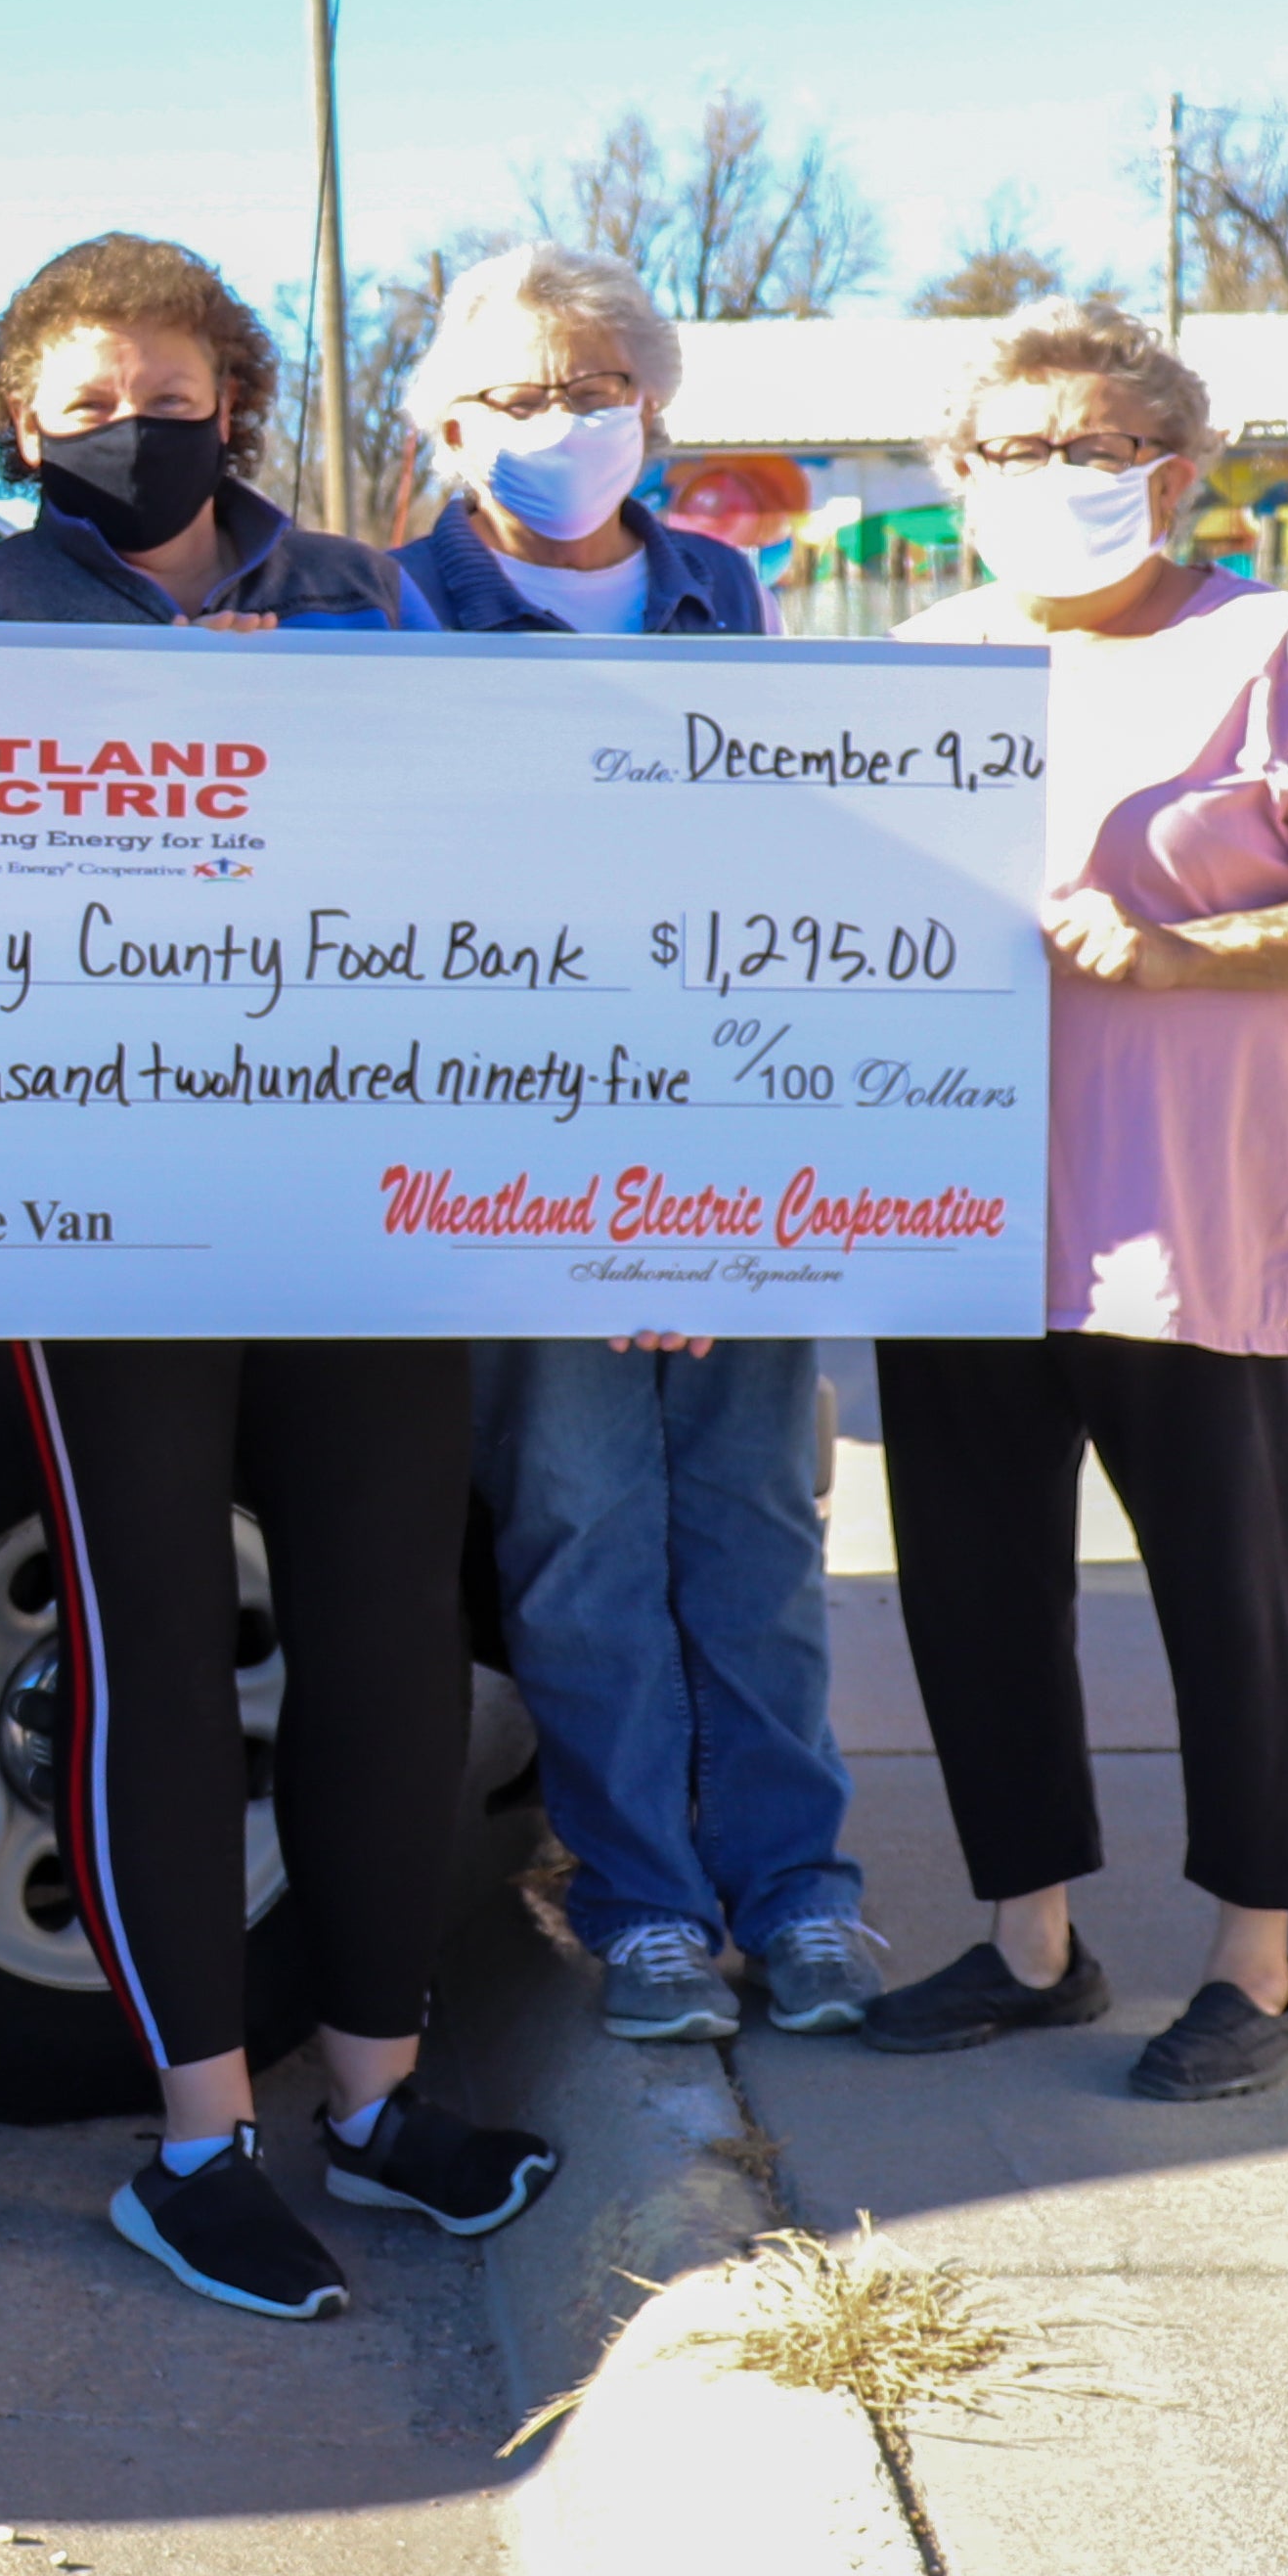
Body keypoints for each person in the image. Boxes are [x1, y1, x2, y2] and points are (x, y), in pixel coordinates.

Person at [0, 233, 553, 2321]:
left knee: (380, 1634)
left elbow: (499, 843)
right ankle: (196, 2141)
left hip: (352, 1191)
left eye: (157, 391)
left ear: (234, 402)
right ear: (13, 425)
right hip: (96, 1201)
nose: (122, 431)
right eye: (75, 404)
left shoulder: (368, 596)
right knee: (153, 1637)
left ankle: (370, 2095)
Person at [863, 299, 1288, 2101]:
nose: (1065, 479)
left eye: (1106, 447)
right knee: (973, 1592)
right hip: (960, 1213)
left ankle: (1259, 1970)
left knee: (1227, 1592)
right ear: (959, 482)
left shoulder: (1277, 645)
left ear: (1180, 474)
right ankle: (1032, 1941)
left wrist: (1186, 951)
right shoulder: (920, 662)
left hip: (1194, 1218)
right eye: (1023, 450)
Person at [391, 245, 879, 2049]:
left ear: (654, 408)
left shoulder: (724, 593)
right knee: (583, 1534)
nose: (559, 421)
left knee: (756, 1519)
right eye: (517, 394)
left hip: (732, 1124)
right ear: (448, 424)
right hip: (516, 1153)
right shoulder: (388, 615)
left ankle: (802, 1892)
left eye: (595, 386)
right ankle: (647, 1902)